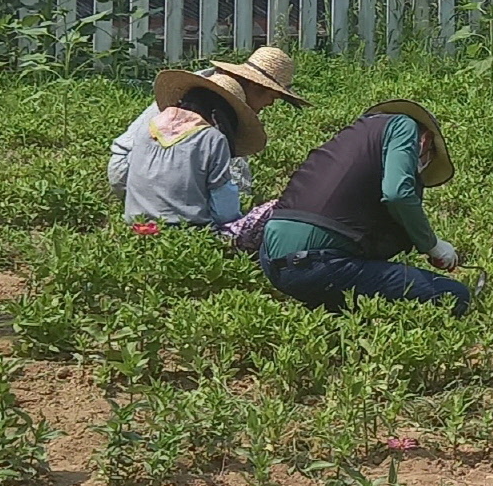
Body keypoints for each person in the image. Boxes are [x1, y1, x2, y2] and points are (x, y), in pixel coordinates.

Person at [257, 99, 471, 313]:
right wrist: (433, 246)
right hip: (317, 265)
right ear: (426, 141)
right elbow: (398, 194)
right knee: (454, 296)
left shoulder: (354, 140)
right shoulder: (405, 126)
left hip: (270, 259)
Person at [109, 46, 307, 229]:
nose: (270, 105)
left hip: (137, 217)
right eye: (272, 97)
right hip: (187, 228)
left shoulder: (155, 123)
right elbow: (225, 200)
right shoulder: (214, 138)